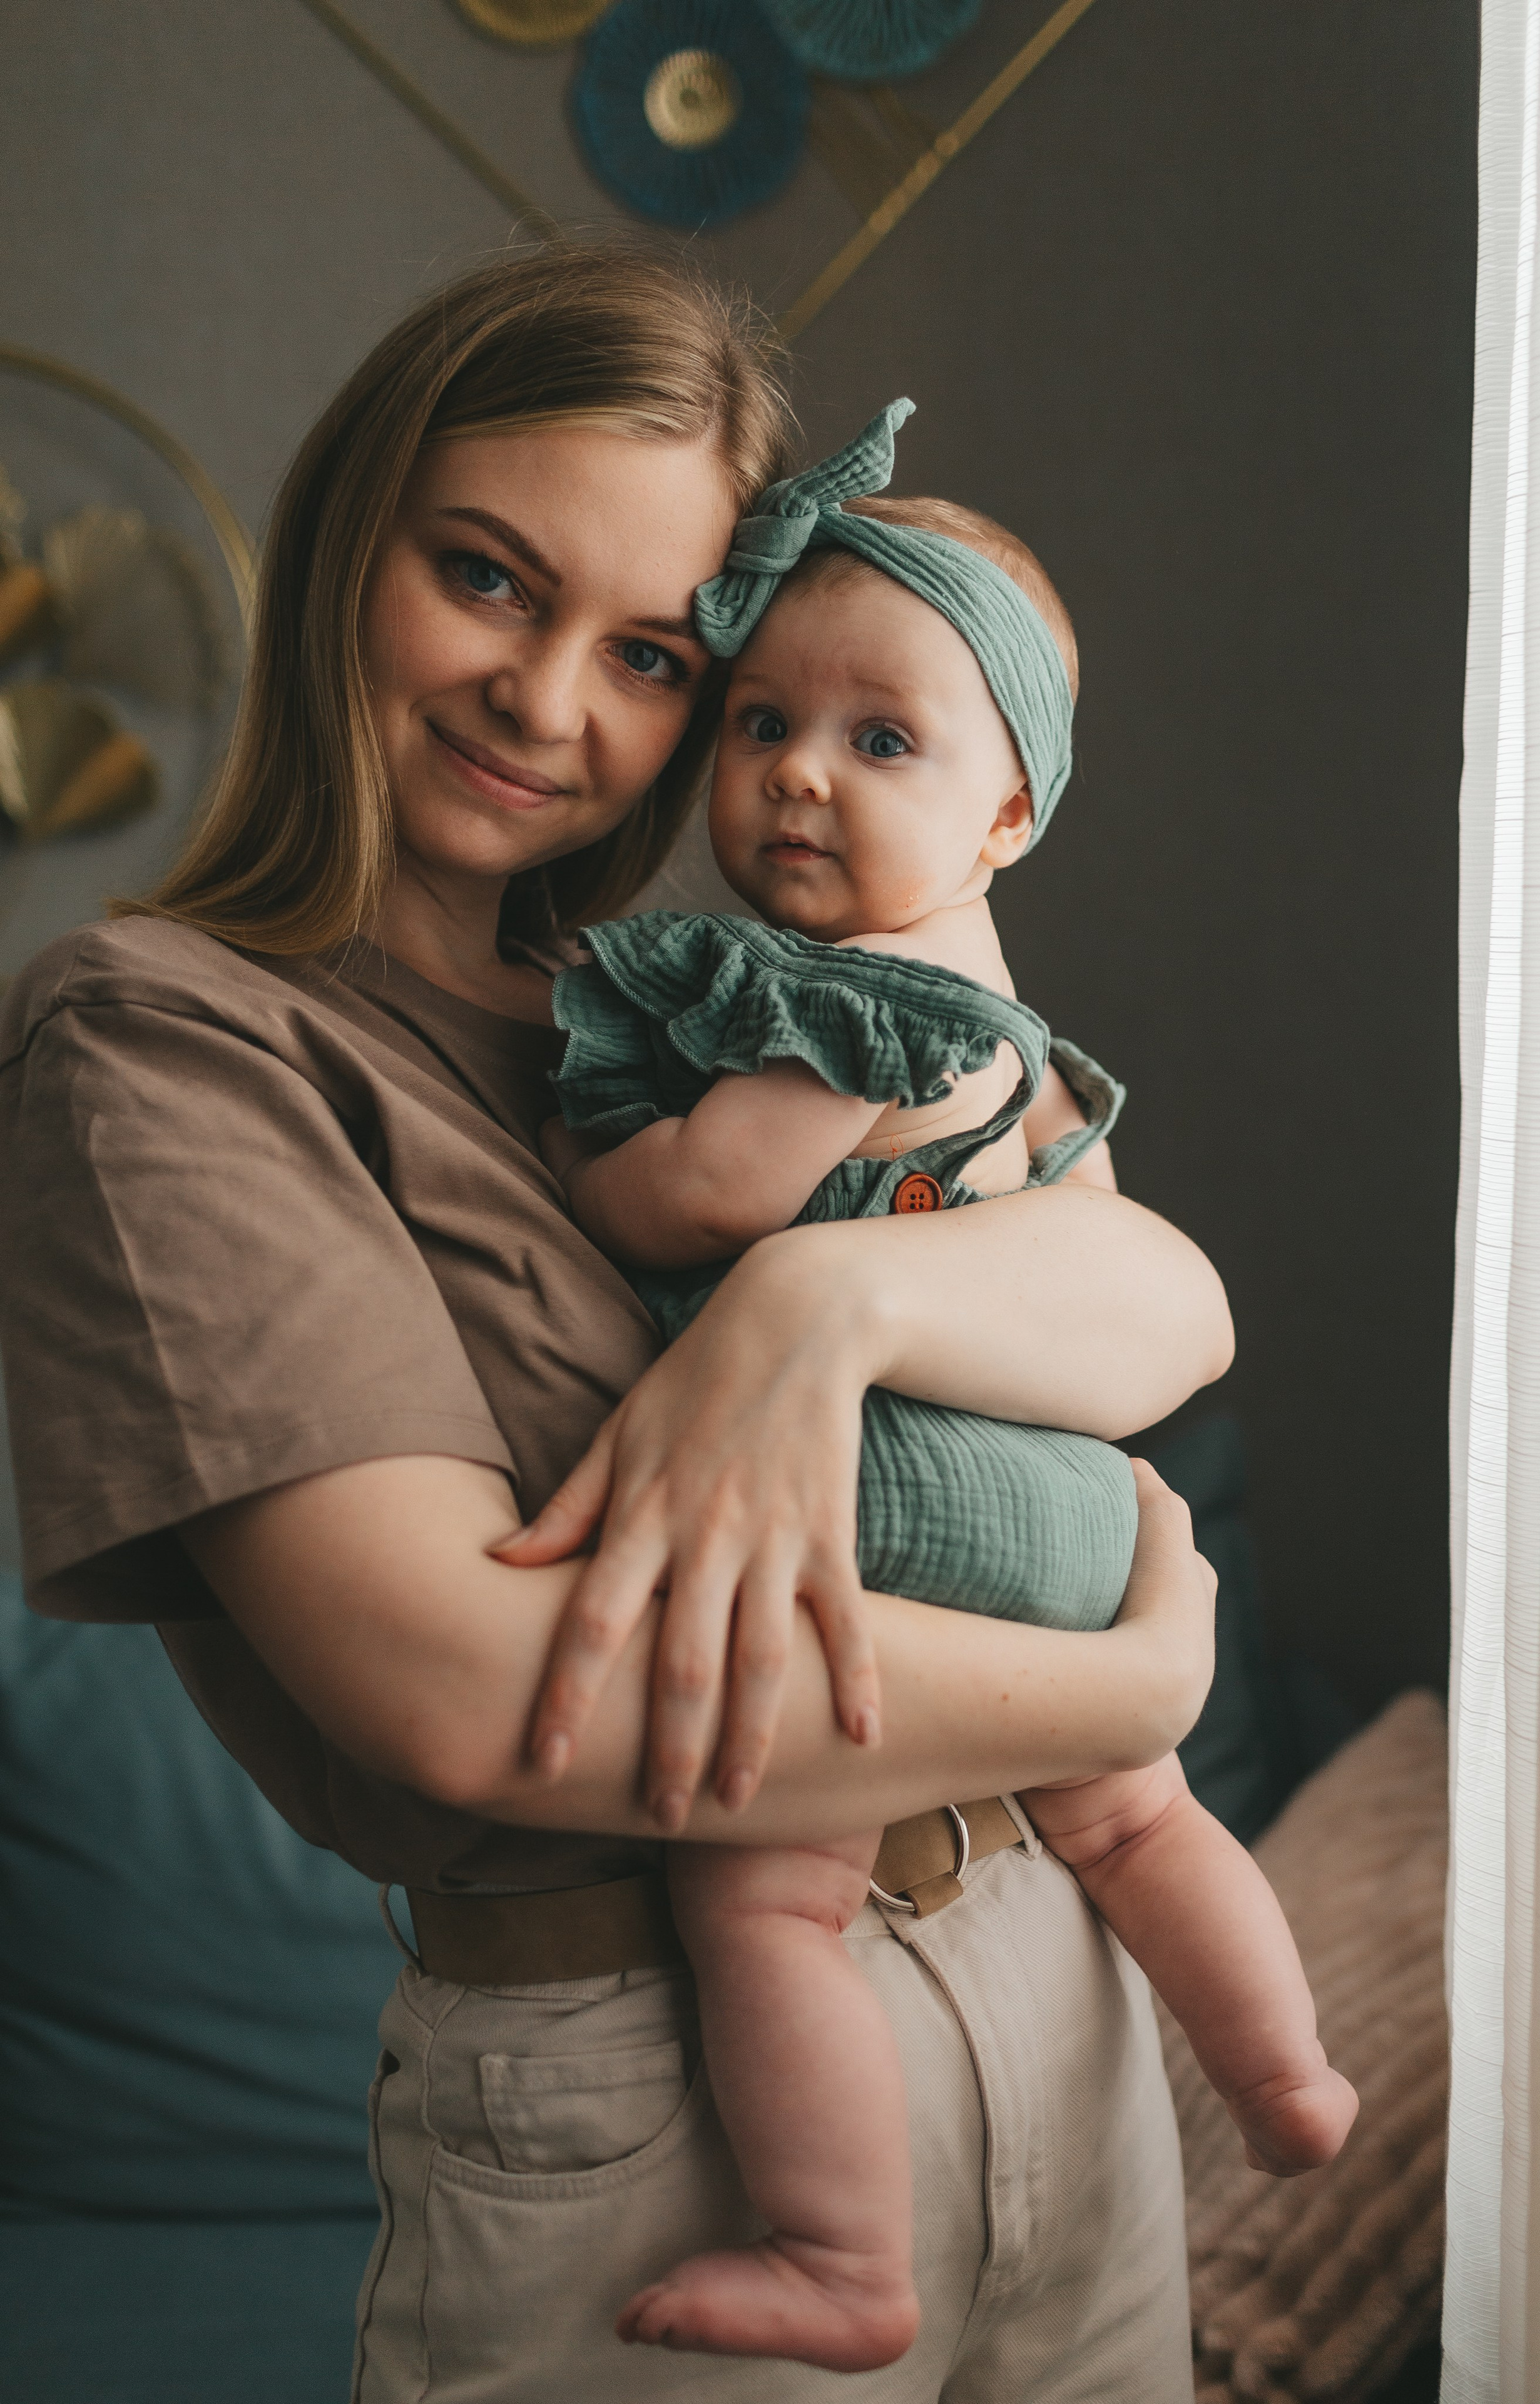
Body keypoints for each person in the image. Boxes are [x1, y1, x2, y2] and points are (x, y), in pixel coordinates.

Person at [0, 248, 1231, 2404]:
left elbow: (1166, 1309)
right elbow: (477, 1704)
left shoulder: (671, 1018)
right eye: (486, 577)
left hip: (1055, 1985)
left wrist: (826, 1299)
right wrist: (1127, 1678)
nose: (552, 701)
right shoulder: (170, 1042)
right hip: (653, 2093)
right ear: (341, 549)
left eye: (657, 652)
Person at [536, 403, 1357, 2370]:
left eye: (882, 741)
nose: (801, 777)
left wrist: (592, 1170)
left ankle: (841, 2250)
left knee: (766, 1904)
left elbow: (709, 1192)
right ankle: (1293, 2081)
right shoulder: (1033, 1045)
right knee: (1147, 1826)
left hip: (893, 1501)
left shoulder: (842, 1002)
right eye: (763, 724)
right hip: (1075, 1513)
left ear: (1006, 819)